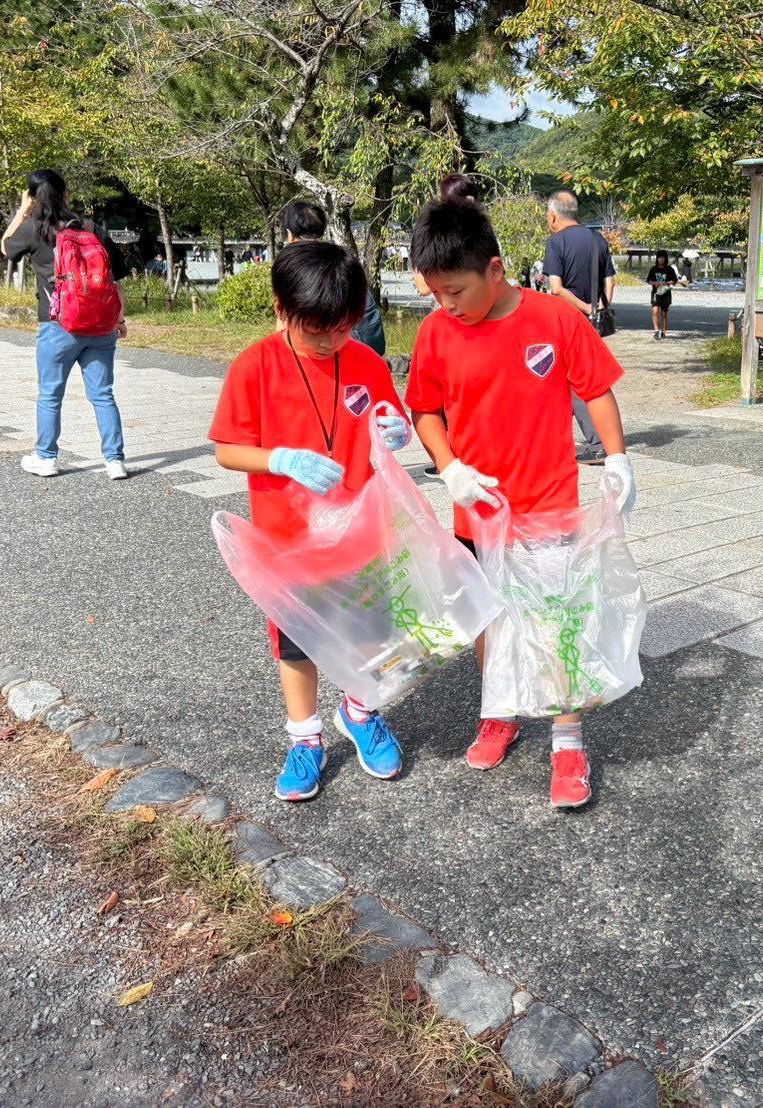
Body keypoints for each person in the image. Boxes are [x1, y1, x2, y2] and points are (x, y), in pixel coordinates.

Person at [405, 196, 636, 810]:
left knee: (556, 622)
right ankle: (499, 709)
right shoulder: (436, 333)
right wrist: (449, 467)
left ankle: (567, 741)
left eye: (454, 290)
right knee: (489, 621)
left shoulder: (555, 320)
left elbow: (598, 390)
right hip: (476, 511)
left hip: (546, 504)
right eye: (436, 293)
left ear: (497, 269)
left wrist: (616, 458)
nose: (445, 304)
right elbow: (424, 409)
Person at [209, 241, 413, 801]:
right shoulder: (256, 366)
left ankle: (360, 710)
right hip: (288, 544)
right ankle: (305, 739)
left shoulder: (366, 361)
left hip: (361, 535)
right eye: (315, 330)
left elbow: (388, 420)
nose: (329, 341)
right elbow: (228, 449)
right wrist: (278, 458)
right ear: (281, 310)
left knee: (369, 635)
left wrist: (396, 433)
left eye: (343, 328)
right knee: (296, 648)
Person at [2, 168, 131, 480]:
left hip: (58, 325)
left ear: (34, 198)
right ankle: (114, 461)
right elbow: (115, 277)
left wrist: (22, 210)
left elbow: (5, 248)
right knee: (102, 394)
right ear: (66, 194)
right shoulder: (91, 228)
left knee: (50, 394)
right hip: (100, 325)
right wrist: (120, 318)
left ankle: (46, 458)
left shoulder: (35, 229)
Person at [541, 190, 615, 465]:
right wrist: (598, 309)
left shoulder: (556, 242)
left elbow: (556, 288)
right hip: (592, 323)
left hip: (565, 321)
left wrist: (584, 308)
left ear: (553, 216)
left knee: (571, 383)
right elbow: (610, 281)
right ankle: (564, 439)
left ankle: (598, 443)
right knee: (582, 378)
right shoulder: (597, 239)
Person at [281, 201, 386, 355]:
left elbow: (284, 324)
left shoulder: (294, 265)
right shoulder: (340, 256)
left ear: (289, 233)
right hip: (370, 341)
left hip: (337, 347)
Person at [646, 251, 682, 339]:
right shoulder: (653, 269)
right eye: (659, 257)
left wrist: (667, 283)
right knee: (654, 311)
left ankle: (663, 331)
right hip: (656, 293)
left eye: (663, 258)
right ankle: (656, 331)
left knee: (664, 313)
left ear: (665, 258)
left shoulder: (669, 269)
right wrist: (654, 283)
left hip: (666, 293)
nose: (661, 259)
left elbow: (675, 281)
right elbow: (648, 280)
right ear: (657, 258)